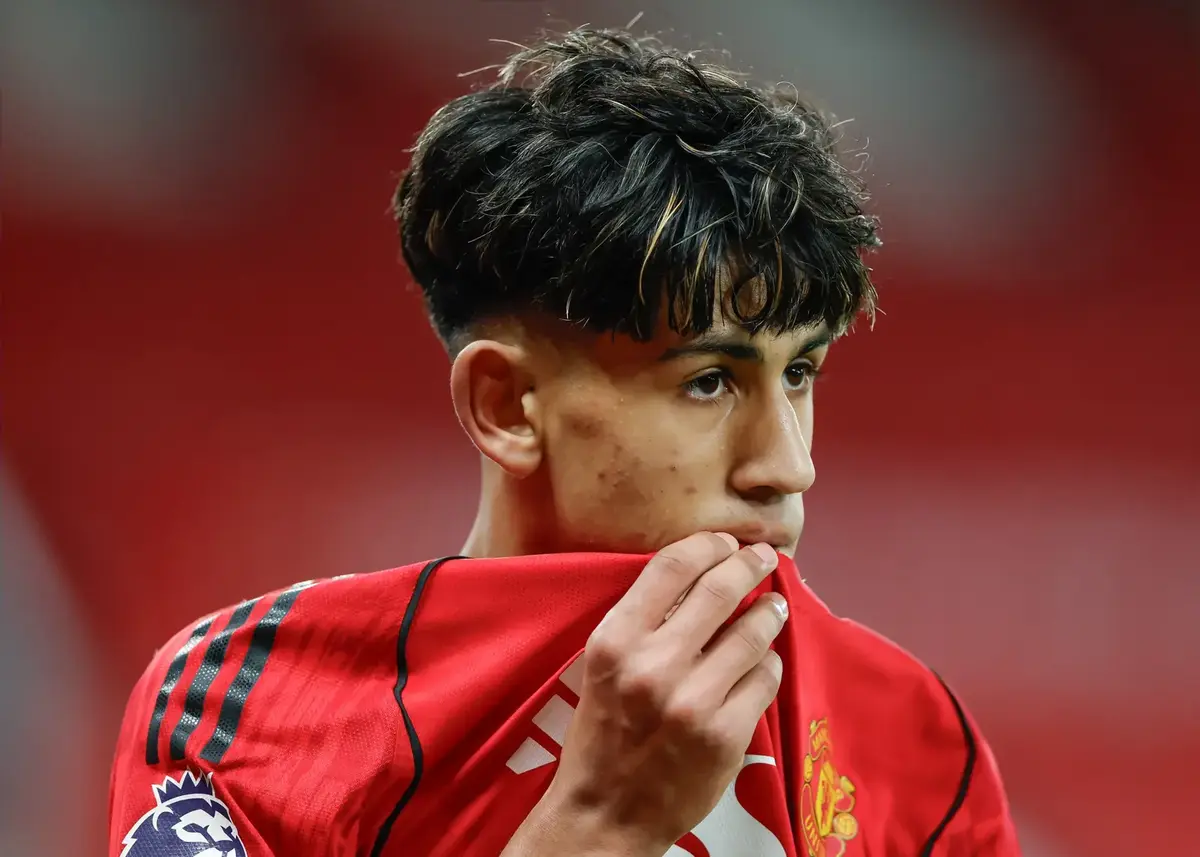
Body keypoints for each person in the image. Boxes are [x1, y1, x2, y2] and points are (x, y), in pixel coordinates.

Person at [109, 28, 1020, 857]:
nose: (788, 465)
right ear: (507, 406)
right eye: (708, 380)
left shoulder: (919, 747)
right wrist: (600, 825)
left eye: (800, 372)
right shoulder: (243, 705)